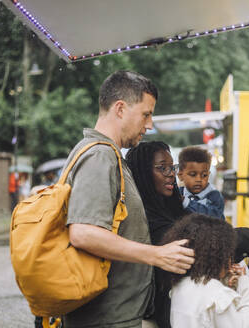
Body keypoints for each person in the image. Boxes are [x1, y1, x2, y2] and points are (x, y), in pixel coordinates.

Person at [63, 70, 194, 328]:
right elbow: (83, 233)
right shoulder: (99, 156)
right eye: (146, 114)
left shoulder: (107, 154)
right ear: (120, 109)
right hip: (106, 319)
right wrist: (155, 255)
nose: (149, 125)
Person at [126, 141, 249, 328]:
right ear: (143, 174)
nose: (171, 174)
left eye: (171, 167)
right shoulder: (146, 216)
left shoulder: (171, 204)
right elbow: (191, 244)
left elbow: (203, 230)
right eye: (162, 168)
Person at [163, 214, 249, 328]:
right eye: (228, 254)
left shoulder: (179, 285)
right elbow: (242, 325)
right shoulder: (217, 294)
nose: (230, 261)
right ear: (217, 257)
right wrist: (244, 285)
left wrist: (227, 288)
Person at [177, 146, 225, 220]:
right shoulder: (178, 194)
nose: (199, 179)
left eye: (204, 175)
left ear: (209, 175)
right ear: (180, 176)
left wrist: (186, 203)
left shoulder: (214, 195)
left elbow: (214, 217)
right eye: (193, 174)